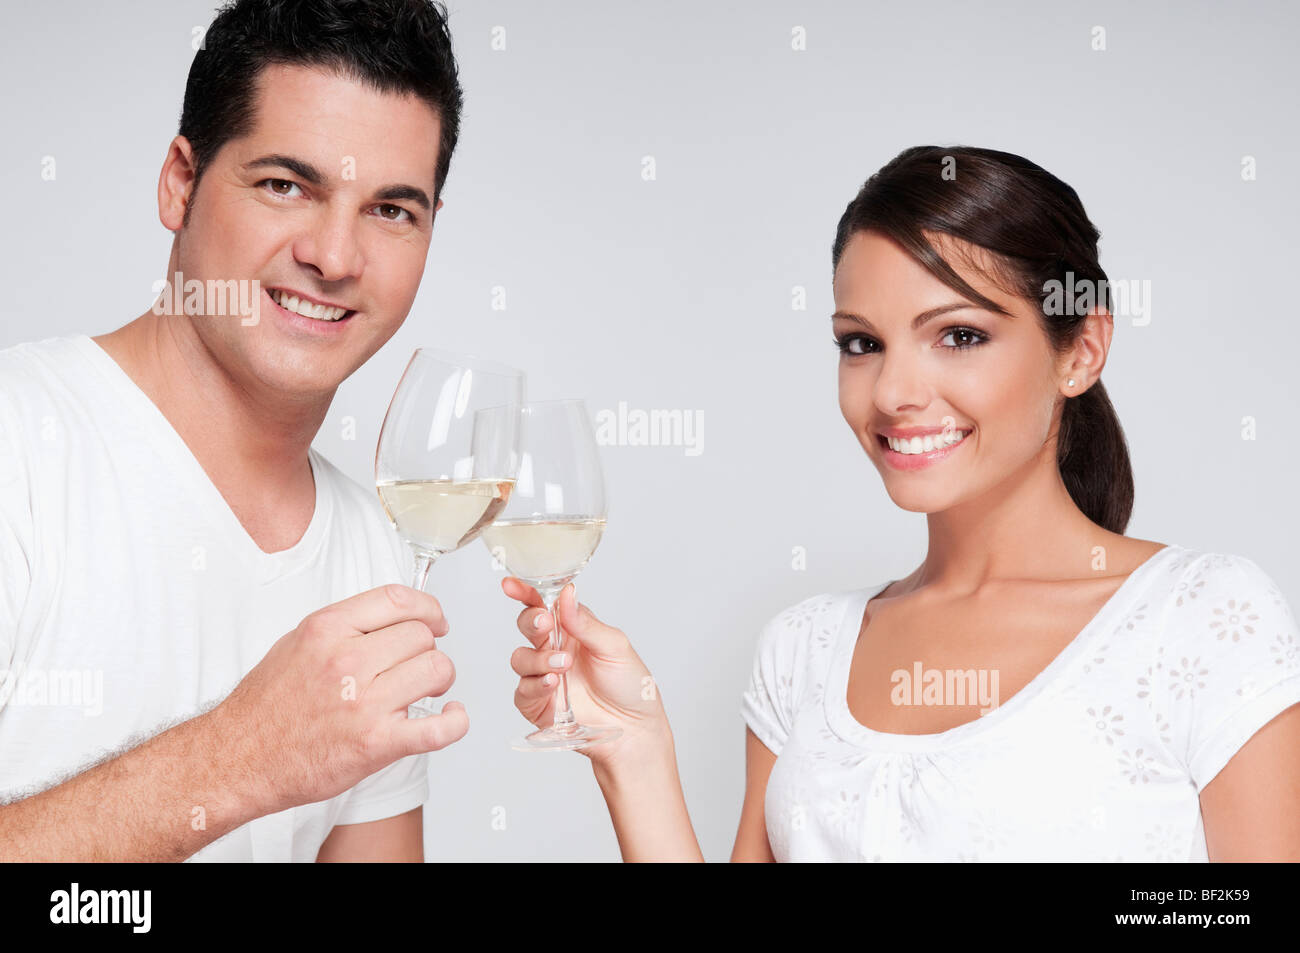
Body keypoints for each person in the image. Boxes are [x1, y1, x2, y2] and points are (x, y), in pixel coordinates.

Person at [501, 145, 1300, 862]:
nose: (893, 392)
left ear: (1081, 350)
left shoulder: (1202, 618)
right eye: (862, 342)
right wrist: (633, 749)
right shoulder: (804, 651)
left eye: (958, 334)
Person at [0, 0, 471, 861]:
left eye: (392, 210)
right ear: (181, 182)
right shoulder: (19, 447)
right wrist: (238, 758)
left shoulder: (373, 544)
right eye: (287, 185)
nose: (334, 256)